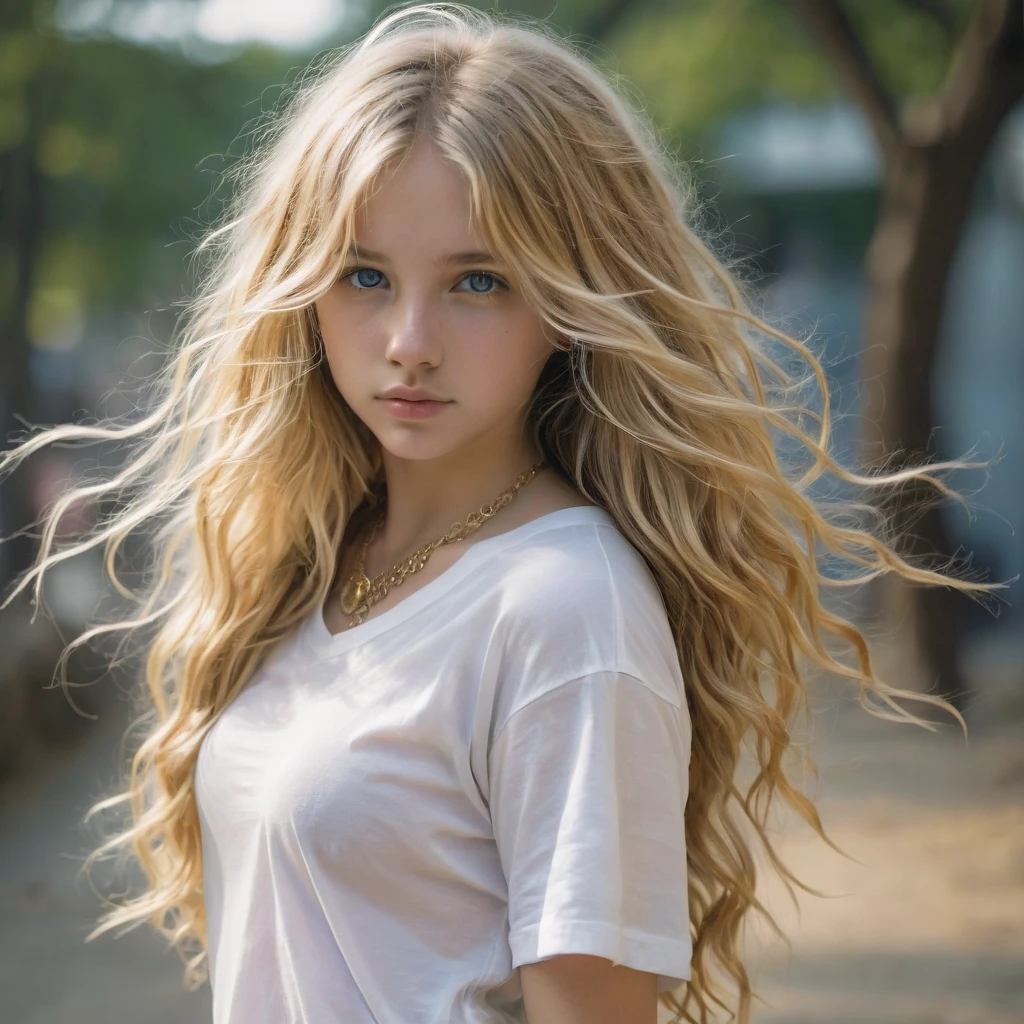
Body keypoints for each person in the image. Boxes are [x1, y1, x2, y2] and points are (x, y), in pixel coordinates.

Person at [0, 4, 998, 1022]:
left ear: (568, 302)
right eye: (364, 276)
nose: (409, 341)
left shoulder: (567, 610)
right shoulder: (317, 561)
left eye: (478, 280)